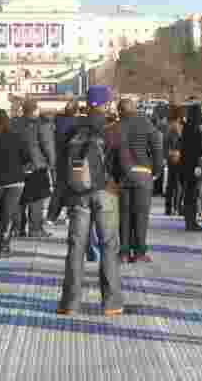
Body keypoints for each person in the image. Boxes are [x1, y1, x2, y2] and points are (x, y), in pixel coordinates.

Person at [56, 96, 124, 317]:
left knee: (76, 248)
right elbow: (122, 161)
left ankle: (70, 303)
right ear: (104, 104)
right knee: (109, 245)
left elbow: (60, 165)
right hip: (105, 193)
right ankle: (111, 303)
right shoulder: (113, 129)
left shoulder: (70, 128)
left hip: (78, 194)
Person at [113, 98, 163, 263]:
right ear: (134, 109)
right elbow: (156, 146)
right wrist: (156, 170)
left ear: (120, 111)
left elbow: (111, 153)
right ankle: (140, 252)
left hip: (123, 175)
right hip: (143, 174)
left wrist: (115, 175)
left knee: (124, 214)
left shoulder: (117, 126)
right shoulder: (146, 123)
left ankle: (124, 252)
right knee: (141, 215)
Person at [0, 109, 32, 257]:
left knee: (1, 211)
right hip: (15, 180)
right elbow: (26, 156)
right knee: (8, 212)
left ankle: (2, 243)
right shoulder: (16, 136)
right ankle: (4, 245)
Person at [11, 99, 55, 239]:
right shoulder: (40, 124)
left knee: (19, 198)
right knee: (36, 198)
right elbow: (47, 145)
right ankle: (35, 228)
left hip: (16, 165)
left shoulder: (14, 123)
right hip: (37, 165)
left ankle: (18, 228)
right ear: (35, 110)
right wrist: (52, 163)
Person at [180, 104, 202, 232]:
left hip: (188, 166)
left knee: (191, 194)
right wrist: (198, 165)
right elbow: (195, 150)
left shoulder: (188, 128)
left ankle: (191, 221)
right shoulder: (192, 130)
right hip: (192, 166)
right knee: (191, 194)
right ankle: (190, 222)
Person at [163, 106, 185, 216]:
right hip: (178, 159)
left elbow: (165, 146)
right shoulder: (178, 128)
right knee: (178, 184)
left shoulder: (168, 128)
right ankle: (177, 207)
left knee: (171, 184)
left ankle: (169, 207)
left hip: (171, 159)